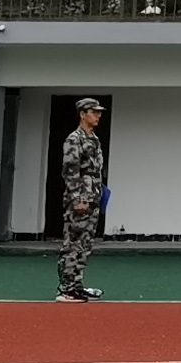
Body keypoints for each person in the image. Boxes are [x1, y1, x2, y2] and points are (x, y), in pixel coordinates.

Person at [56, 97, 107, 301]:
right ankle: (66, 288)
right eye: (94, 112)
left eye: (99, 112)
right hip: (80, 200)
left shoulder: (94, 139)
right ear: (82, 114)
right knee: (73, 243)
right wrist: (77, 198)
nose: (98, 116)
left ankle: (76, 284)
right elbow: (70, 172)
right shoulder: (74, 139)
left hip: (93, 197)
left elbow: (96, 171)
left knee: (85, 244)